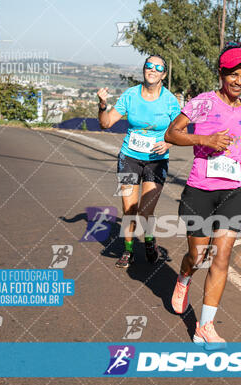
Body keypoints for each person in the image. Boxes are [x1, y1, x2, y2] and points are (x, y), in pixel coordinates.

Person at [164, 43, 241, 350]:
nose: (239, 81)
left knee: (221, 258)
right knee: (199, 257)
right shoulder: (203, 103)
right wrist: (205, 139)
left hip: (233, 190)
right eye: (233, 74)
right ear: (221, 75)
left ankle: (204, 326)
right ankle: (184, 278)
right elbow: (171, 134)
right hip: (200, 191)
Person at [97, 55, 181, 268]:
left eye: (157, 68)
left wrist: (168, 144)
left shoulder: (170, 100)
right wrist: (102, 105)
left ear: (163, 74)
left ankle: (150, 241)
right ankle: (128, 250)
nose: (152, 70)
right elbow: (106, 123)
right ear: (144, 70)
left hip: (156, 160)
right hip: (130, 157)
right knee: (129, 207)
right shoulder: (131, 95)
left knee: (146, 210)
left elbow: (181, 130)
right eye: (149, 66)